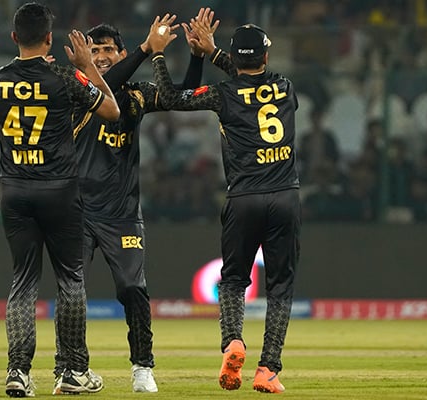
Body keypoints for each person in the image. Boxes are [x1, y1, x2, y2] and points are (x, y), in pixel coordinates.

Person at [52, 11, 215, 394]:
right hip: (75, 210)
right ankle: (70, 368)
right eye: (95, 50)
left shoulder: (137, 94)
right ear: (85, 57)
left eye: (109, 49)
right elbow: (104, 84)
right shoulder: (77, 87)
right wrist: (145, 48)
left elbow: (182, 97)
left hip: (122, 213)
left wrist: (196, 56)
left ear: (120, 52)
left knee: (131, 288)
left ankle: (142, 367)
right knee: (71, 291)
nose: (103, 55)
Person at [147, 11, 300, 393]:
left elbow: (170, 98)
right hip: (284, 197)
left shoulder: (223, 94)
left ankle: (233, 341)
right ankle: (269, 369)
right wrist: (215, 53)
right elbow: (251, 79)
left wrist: (160, 55)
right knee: (280, 286)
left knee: (233, 281)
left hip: (243, 198)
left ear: (236, 57)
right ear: (266, 56)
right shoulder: (285, 87)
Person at [0, 2, 120, 398]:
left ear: (13, 37)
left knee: (22, 281)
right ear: (49, 39)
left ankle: (18, 372)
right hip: (59, 191)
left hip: (15, 189)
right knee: (71, 280)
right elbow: (110, 111)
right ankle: (74, 371)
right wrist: (88, 67)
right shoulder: (64, 77)